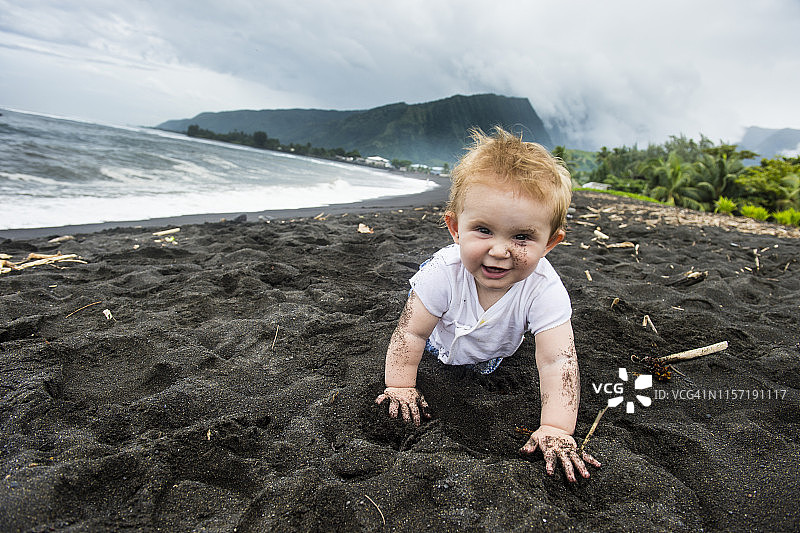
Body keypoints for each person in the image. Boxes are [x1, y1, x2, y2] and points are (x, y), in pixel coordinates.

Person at [375, 127, 601, 482]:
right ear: (455, 227)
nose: (499, 250)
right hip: (436, 342)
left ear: (549, 243)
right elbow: (411, 333)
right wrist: (401, 386)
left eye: (522, 237)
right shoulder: (444, 272)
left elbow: (558, 360)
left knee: (495, 360)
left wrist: (556, 428)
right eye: (483, 230)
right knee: (421, 314)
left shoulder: (545, 289)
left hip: (492, 356)